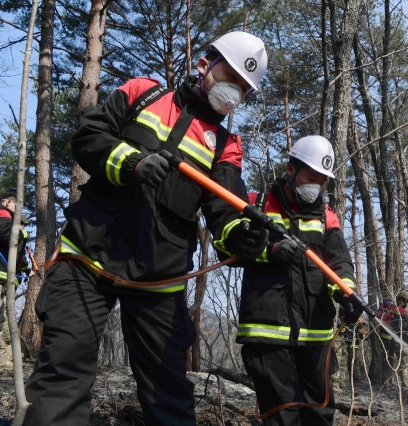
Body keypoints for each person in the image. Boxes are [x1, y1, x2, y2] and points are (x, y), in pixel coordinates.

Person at [23, 32, 270, 426]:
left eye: (244, 88)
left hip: (159, 283)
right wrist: (131, 163)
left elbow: (226, 212)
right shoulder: (143, 93)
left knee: (168, 393)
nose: (235, 92)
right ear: (206, 64)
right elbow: (88, 137)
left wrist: (243, 236)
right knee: (62, 373)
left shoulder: (226, 146)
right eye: (231, 77)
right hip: (86, 259)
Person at [214, 135, 363, 426]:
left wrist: (347, 293)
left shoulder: (327, 218)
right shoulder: (257, 206)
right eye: (312, 176)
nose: (317, 186)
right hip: (267, 335)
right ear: (291, 170)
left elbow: (339, 263)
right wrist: (270, 252)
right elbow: (228, 248)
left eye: (323, 181)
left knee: (319, 415)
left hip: (316, 337)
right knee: (281, 417)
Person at [0, 189, 34, 369]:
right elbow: (6, 234)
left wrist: (27, 270)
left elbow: (18, 257)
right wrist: (23, 235)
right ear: (8, 203)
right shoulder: (2, 213)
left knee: (5, 318)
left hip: (8, 279)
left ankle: (7, 355)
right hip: (2, 276)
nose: (22, 226)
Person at [377, 290, 408, 393]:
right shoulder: (400, 311)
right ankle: (406, 389)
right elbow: (407, 328)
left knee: (387, 363)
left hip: (385, 340)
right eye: (405, 303)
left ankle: (387, 386)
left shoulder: (385, 309)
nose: (405, 305)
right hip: (398, 342)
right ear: (402, 301)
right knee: (403, 364)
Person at [334, 316, 367, 390]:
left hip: (354, 349)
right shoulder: (347, 327)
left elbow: (364, 336)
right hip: (347, 348)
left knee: (353, 365)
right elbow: (342, 332)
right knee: (349, 365)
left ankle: (355, 381)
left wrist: (359, 332)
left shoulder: (359, 330)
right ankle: (351, 381)